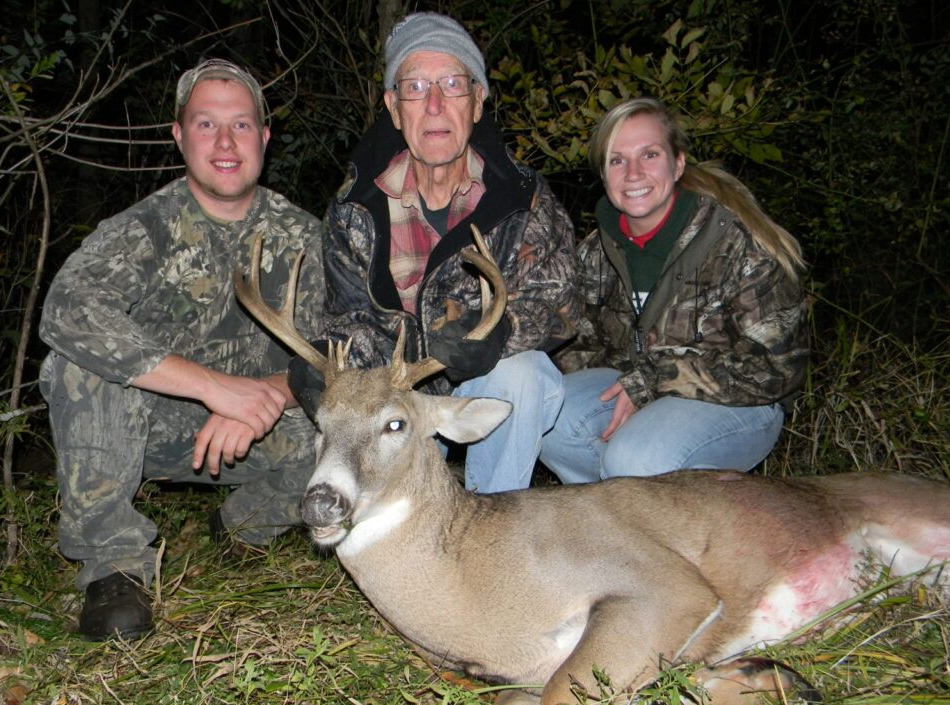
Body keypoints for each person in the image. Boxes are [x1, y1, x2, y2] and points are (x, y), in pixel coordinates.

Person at [38, 59, 323, 640]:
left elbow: (337, 349)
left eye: (241, 126)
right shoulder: (144, 227)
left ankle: (243, 527)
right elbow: (67, 310)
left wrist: (267, 395)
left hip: (257, 430)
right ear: (178, 135)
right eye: (205, 124)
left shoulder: (304, 236)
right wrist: (215, 389)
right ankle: (114, 567)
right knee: (76, 367)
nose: (224, 143)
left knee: (347, 429)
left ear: (264, 137)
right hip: (150, 428)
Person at [291, 12, 579, 493]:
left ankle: (491, 530)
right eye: (416, 88)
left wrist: (499, 333)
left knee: (522, 375)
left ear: (478, 102)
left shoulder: (521, 198)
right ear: (394, 107)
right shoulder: (355, 207)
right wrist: (327, 361)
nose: (435, 104)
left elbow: (561, 305)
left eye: (452, 84)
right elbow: (351, 318)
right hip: (396, 403)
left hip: (476, 395)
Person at [542, 97, 807, 482]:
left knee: (636, 461)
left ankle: (669, 522)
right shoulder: (596, 253)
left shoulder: (737, 245)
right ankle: (619, 524)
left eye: (649, 155)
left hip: (741, 402)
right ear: (603, 174)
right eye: (617, 160)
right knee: (549, 422)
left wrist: (654, 378)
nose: (633, 173)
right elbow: (579, 347)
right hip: (641, 388)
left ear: (678, 163)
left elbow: (779, 369)